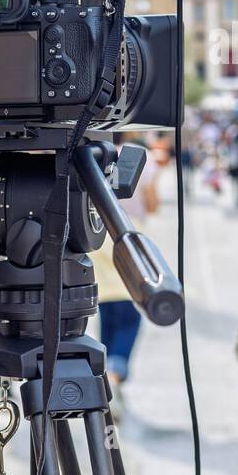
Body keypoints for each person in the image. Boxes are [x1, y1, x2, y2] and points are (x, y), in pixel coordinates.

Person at [94, 136, 161, 421]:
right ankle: (115, 377)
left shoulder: (94, 157)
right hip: (129, 241)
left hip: (99, 241)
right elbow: (152, 203)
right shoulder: (142, 161)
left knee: (107, 321)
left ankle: (107, 377)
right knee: (129, 322)